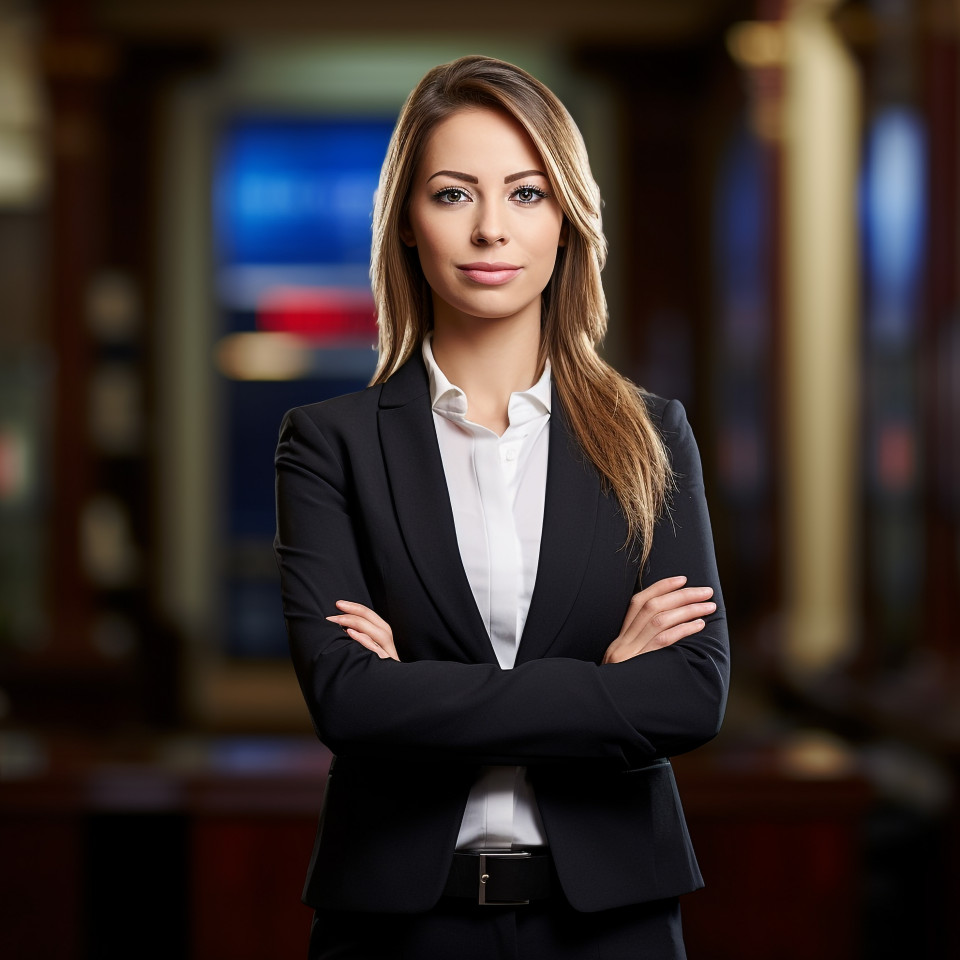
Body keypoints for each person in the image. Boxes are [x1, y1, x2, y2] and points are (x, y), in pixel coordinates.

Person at [274, 54, 728, 960]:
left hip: (614, 926)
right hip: (396, 926)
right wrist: (605, 684)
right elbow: (350, 702)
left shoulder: (652, 435)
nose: (490, 229)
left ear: (568, 219)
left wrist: (417, 689)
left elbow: (690, 694)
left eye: (525, 194)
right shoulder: (330, 444)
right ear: (406, 222)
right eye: (452, 194)